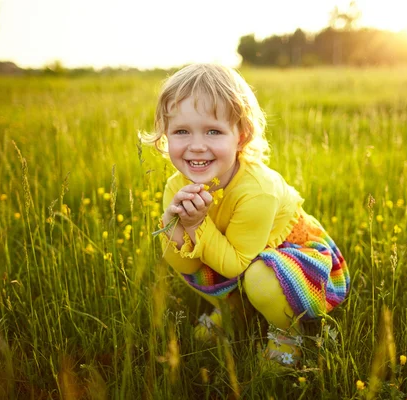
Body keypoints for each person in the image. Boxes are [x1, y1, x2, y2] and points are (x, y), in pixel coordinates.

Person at [141, 63, 349, 366]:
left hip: (290, 259)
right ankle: (234, 311)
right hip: (238, 256)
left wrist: (197, 225)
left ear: (241, 136)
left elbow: (237, 265)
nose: (197, 146)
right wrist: (176, 230)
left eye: (213, 131)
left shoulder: (256, 190)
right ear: (166, 134)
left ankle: (287, 333)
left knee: (259, 277)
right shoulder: (177, 185)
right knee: (197, 255)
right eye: (182, 131)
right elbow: (185, 264)